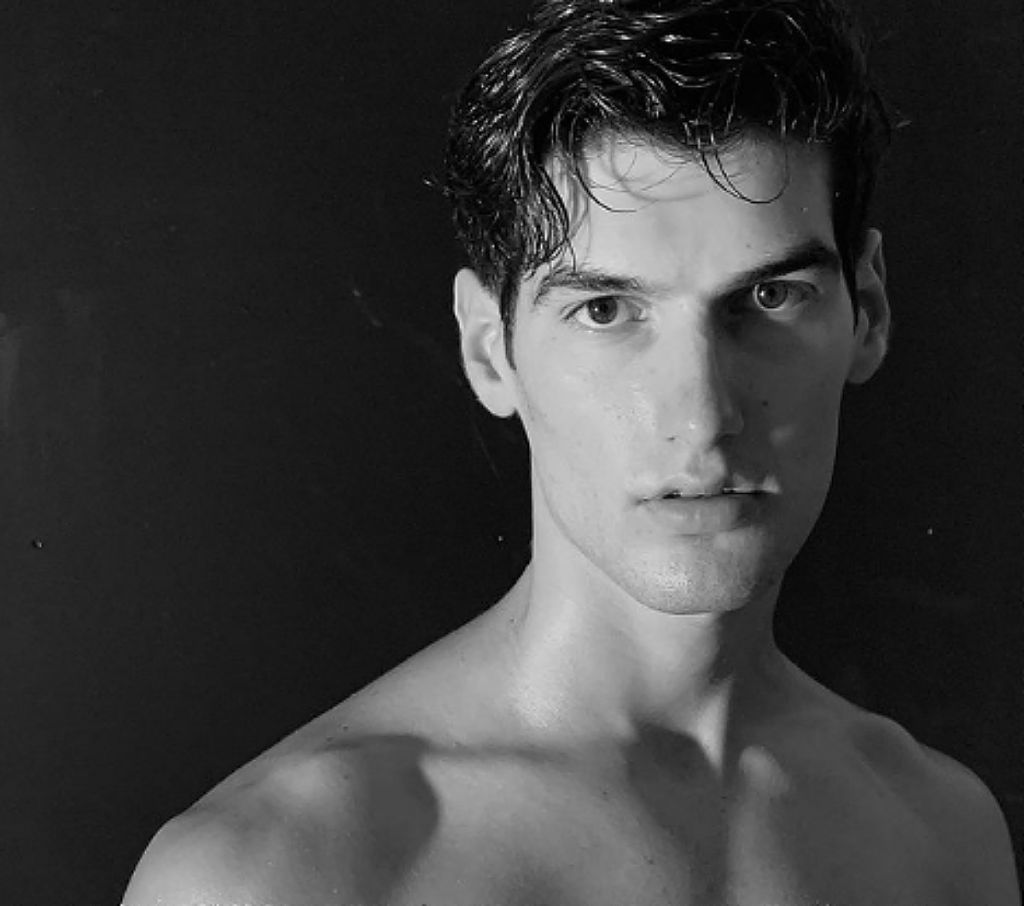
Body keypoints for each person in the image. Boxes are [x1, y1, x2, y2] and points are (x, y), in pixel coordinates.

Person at [123, 0, 1020, 903]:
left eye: (770, 297)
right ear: (490, 351)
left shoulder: (946, 837)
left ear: (868, 311)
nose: (702, 416)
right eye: (605, 311)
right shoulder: (272, 874)